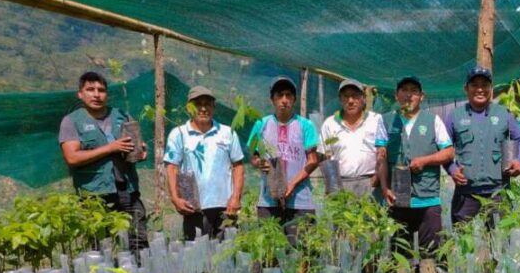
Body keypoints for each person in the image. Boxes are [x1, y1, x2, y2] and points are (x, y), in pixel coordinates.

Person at [58, 70, 149, 252]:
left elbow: (135, 144)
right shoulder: (72, 121)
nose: (97, 94)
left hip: (127, 189)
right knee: (102, 246)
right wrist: (110, 148)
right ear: (80, 94)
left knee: (139, 240)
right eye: (90, 89)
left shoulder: (121, 116)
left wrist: (140, 150)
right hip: (95, 195)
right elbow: (72, 157)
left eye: (101, 90)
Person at [443, 65, 520, 224]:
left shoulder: (504, 114)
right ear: (466, 88)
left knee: (499, 243)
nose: (480, 89)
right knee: (462, 241)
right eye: (474, 85)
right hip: (465, 193)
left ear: (491, 88)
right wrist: (452, 170)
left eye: (484, 85)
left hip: (498, 192)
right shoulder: (454, 116)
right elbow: (443, 149)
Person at [380, 76, 454, 254]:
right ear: (396, 95)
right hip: (397, 200)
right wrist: (384, 188)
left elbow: (449, 152)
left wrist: (425, 160)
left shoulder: (433, 120)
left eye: (414, 91)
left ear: (422, 96)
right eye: (404, 90)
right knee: (399, 257)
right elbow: (381, 157)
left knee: (431, 253)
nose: (408, 95)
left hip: (428, 199)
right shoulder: (385, 121)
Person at [165, 86, 245, 241]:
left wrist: (236, 197)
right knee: (197, 258)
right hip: (194, 208)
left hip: (225, 208)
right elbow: (172, 167)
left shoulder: (227, 133)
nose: (203, 108)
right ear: (189, 108)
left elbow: (238, 166)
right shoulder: (179, 134)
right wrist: (175, 198)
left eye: (207, 104)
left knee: (226, 255)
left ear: (214, 107)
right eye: (197, 104)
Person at [247, 76, 320, 242]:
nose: (284, 100)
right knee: (269, 252)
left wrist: (292, 184)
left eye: (288, 95)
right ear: (272, 99)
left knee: (303, 250)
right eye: (279, 95)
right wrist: (259, 163)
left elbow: (313, 160)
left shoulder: (306, 125)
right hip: (268, 199)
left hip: (300, 200)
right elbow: (254, 157)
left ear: (294, 99)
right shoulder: (261, 124)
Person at [319, 78, 388, 200]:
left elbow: (382, 153)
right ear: (340, 100)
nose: (350, 101)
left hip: (370, 183)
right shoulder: (330, 123)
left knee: (370, 218)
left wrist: (378, 176)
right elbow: (325, 157)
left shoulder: (376, 120)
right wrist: (329, 185)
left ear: (363, 98)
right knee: (341, 219)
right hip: (340, 184)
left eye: (355, 96)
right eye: (346, 96)